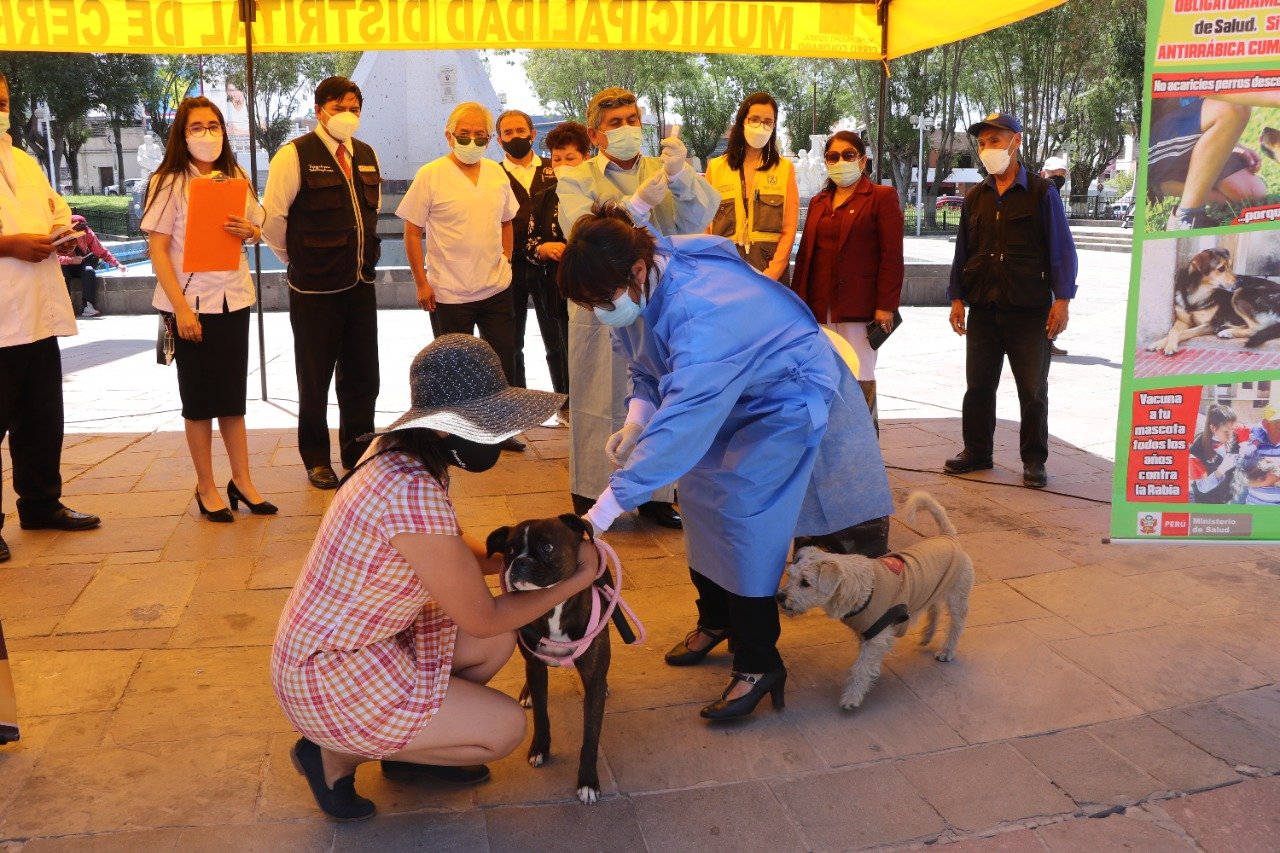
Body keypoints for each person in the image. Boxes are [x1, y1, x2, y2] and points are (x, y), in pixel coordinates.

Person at [558, 203, 892, 721]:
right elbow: (645, 365)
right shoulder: (635, 284)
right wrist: (637, 419)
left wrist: (602, 511)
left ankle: (759, 660)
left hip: (782, 394)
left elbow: (687, 414)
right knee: (698, 498)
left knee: (743, 514)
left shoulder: (700, 310)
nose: (602, 311)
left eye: (603, 300)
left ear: (638, 270)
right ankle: (716, 618)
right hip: (726, 391)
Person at [271, 334, 590, 821]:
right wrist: (576, 579)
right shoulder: (410, 492)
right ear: (443, 429)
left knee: (498, 641)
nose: (499, 439)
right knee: (503, 729)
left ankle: (408, 751)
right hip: (328, 671)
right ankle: (331, 756)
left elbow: (451, 550)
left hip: (356, 643)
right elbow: (482, 616)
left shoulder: (399, 450)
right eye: (489, 424)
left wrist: (521, 557)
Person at [556, 86, 720, 527]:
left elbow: (700, 217)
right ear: (595, 133)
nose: (627, 129)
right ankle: (589, 488)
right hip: (601, 304)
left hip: (659, 303)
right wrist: (635, 206)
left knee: (661, 392)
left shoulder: (664, 168)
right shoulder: (577, 176)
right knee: (596, 393)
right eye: (615, 123)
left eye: (632, 120)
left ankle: (657, 492)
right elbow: (579, 225)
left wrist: (683, 176)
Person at [141, 96, 276, 524]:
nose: (207, 133)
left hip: (234, 298)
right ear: (182, 134)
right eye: (197, 126)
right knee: (199, 402)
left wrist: (251, 230)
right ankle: (207, 486)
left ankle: (243, 480)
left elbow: (259, 223)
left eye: (214, 125)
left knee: (232, 399)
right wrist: (180, 310)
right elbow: (158, 250)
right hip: (189, 305)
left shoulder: (233, 175)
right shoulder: (166, 181)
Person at [944, 112, 1077, 490]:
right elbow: (962, 253)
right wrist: (956, 299)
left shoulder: (1041, 192)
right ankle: (977, 452)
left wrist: (1062, 300)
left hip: (1029, 310)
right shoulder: (975, 198)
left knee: (1032, 390)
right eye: (983, 143)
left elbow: (1061, 251)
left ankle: (1034, 460)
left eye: (995, 141)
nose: (988, 149)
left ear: (1015, 142)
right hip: (984, 308)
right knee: (978, 386)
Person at [0, 70, 101, 564]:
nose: (1, 110)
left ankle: (40, 504)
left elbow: (53, 207)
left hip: (38, 310)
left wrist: (64, 230)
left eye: (2, 100)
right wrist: (8, 244)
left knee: (42, 419)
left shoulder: (22, 159)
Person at [263, 76, 382, 491]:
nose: (347, 114)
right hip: (314, 289)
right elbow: (273, 221)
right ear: (319, 110)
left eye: (354, 107)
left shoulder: (366, 154)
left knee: (364, 377)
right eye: (339, 106)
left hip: (360, 283)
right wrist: (297, 259)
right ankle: (316, 458)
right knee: (314, 379)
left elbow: (371, 213)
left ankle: (358, 452)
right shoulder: (293, 155)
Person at [397, 102, 525, 453]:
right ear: (449, 135)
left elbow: (506, 220)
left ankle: (501, 429)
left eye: (480, 135)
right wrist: (421, 282)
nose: (472, 141)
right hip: (448, 291)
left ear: (489, 138)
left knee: (504, 357)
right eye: (464, 134)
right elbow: (412, 232)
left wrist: (506, 259)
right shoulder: (431, 174)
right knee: (451, 368)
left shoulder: (497, 173)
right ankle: (452, 434)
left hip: (496, 286)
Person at [791, 130, 903, 429]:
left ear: (862, 160)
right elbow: (804, 258)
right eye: (833, 156)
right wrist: (797, 305)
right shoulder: (818, 202)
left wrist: (885, 306)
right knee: (822, 377)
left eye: (848, 155)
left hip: (860, 307)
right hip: (818, 306)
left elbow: (891, 256)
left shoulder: (881, 197)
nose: (840, 161)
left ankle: (864, 453)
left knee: (860, 376)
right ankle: (828, 451)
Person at [497, 109, 565, 398]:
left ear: (533, 134)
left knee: (558, 339)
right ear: (499, 140)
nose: (515, 137)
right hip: (509, 267)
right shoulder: (492, 174)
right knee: (510, 343)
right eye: (508, 132)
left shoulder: (556, 167)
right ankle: (517, 404)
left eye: (520, 131)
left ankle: (567, 402)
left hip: (551, 267)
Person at [524, 121, 591, 411]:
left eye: (570, 158)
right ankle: (566, 406)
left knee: (592, 349)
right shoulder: (544, 196)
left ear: (586, 157)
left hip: (592, 287)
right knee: (560, 347)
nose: (562, 164)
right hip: (554, 286)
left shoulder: (598, 191)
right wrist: (543, 248)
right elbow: (528, 241)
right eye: (557, 158)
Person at [1148, 94, 1280, 230]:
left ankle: (1172, 186)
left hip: (1194, 130)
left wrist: (1230, 142)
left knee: (1252, 192)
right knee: (1234, 105)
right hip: (1155, 138)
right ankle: (1187, 216)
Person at [705, 92, 799, 283]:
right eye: (754, 119)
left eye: (767, 122)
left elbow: (789, 230)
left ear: (774, 127)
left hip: (771, 274)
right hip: (726, 274)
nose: (760, 127)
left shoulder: (784, 169)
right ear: (742, 122)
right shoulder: (715, 168)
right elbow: (706, 227)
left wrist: (771, 276)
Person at [58, 214, 126, 317]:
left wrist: (117, 264)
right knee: (63, 276)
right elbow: (54, 257)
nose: (81, 232)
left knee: (89, 271)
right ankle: (65, 309)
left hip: (80, 263)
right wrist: (70, 260)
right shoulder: (60, 234)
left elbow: (101, 251)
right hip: (64, 264)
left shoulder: (87, 232)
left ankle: (88, 306)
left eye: (83, 229)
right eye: (77, 230)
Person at [1188, 404, 1250, 504]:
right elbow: (1202, 487)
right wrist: (1221, 469)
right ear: (1213, 428)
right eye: (1226, 430)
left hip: (1230, 500)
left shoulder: (1233, 437)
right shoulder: (1196, 451)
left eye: (1233, 429)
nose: (1231, 435)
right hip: (1207, 504)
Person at [1039, 156, 1069, 357]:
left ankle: (1049, 342)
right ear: (1044, 173)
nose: (1058, 178)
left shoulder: (1055, 194)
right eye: (1054, 174)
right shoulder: (1040, 193)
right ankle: (1044, 343)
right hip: (1041, 260)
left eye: (1061, 174)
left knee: (1054, 302)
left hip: (1054, 260)